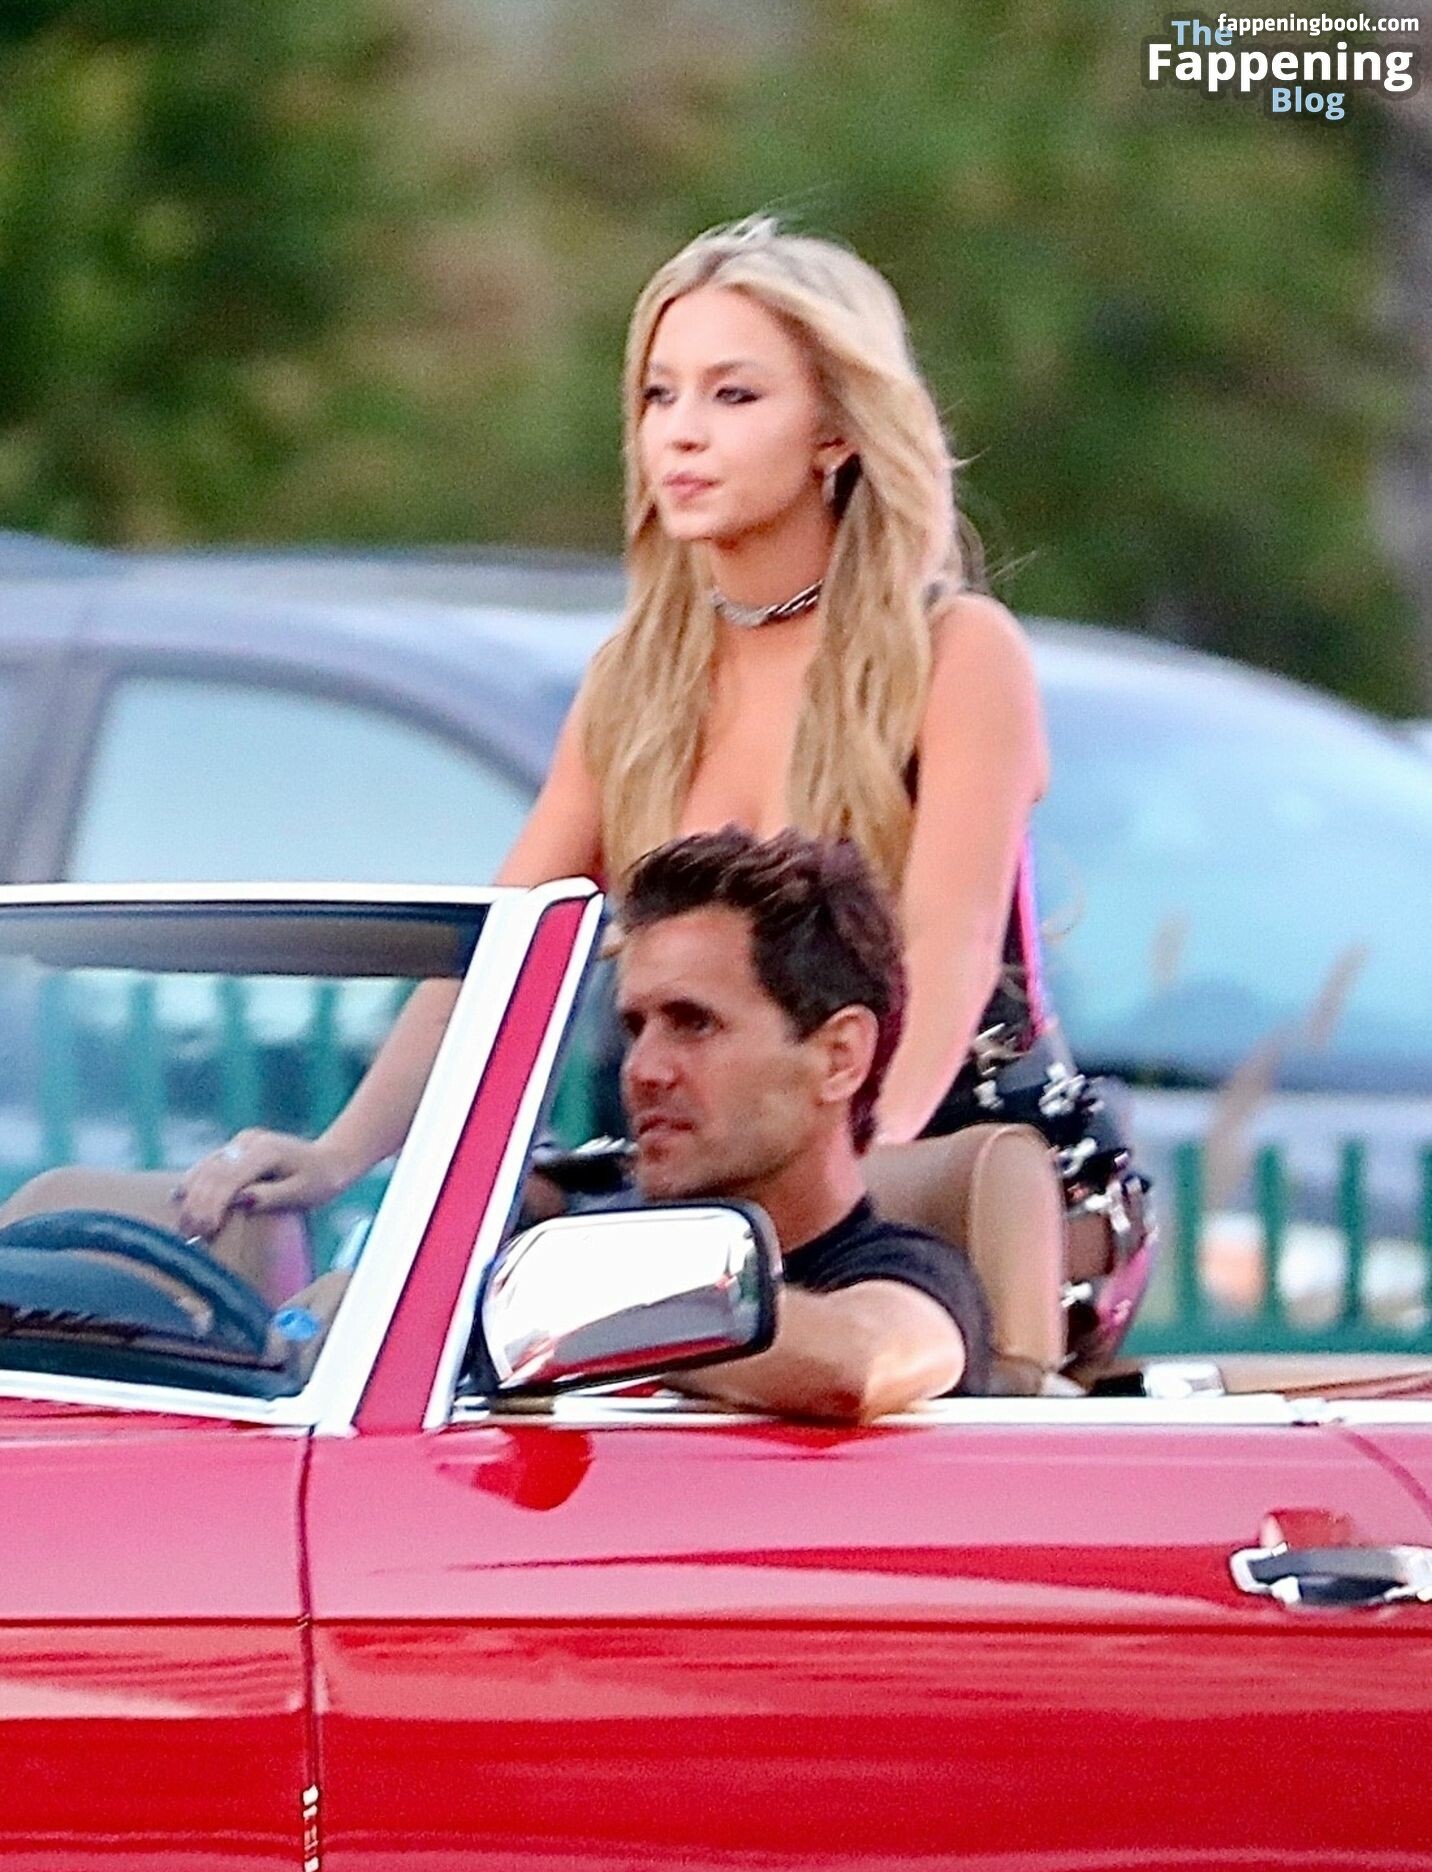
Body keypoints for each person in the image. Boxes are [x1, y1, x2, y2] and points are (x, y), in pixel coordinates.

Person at [175, 213, 1048, 1241]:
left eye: (733, 395)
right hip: (729, 1183)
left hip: (941, 1167)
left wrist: (863, 1172)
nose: (682, 431)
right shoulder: (633, 684)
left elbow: (947, 947)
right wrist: (338, 1152)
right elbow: (496, 962)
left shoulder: (955, 652)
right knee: (485, 1255)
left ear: (836, 431)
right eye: (658, 394)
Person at [505, 826, 991, 1417]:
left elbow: (859, 1364)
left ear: (839, 1057)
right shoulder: (581, 1235)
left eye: (694, 1023)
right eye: (635, 1028)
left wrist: (558, 1308)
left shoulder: (916, 1277)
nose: (643, 1070)